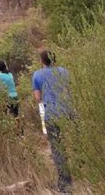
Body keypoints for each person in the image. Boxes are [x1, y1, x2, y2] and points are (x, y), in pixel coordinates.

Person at [32, 50, 73, 193]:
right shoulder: (64, 71)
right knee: (71, 144)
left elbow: (37, 98)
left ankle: (65, 184)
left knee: (57, 149)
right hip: (68, 112)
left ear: (42, 61)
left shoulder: (37, 75)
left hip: (51, 114)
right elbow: (68, 90)